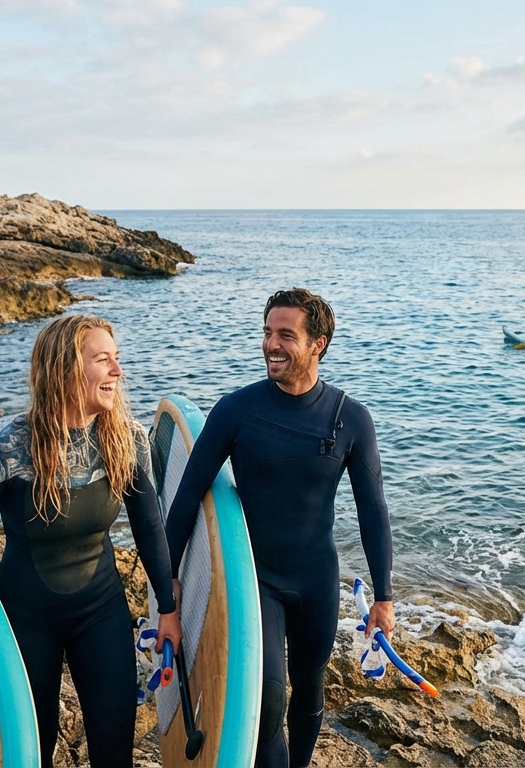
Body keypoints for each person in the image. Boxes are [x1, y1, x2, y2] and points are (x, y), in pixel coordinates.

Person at [0, 314, 182, 768]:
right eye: (103, 360)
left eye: (116, 358)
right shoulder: (9, 449)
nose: (117, 371)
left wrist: (168, 609)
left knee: (114, 749)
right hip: (26, 618)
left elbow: (149, 530)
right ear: (65, 369)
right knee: (32, 751)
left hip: (101, 609)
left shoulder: (126, 439)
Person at [165, 288, 394, 768]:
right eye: (267, 332)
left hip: (316, 578)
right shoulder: (238, 410)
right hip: (258, 579)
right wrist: (168, 580)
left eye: (286, 335)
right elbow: (187, 495)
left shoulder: (351, 419)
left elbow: (372, 510)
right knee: (269, 702)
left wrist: (384, 597)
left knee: (310, 691)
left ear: (318, 344)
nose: (271, 344)